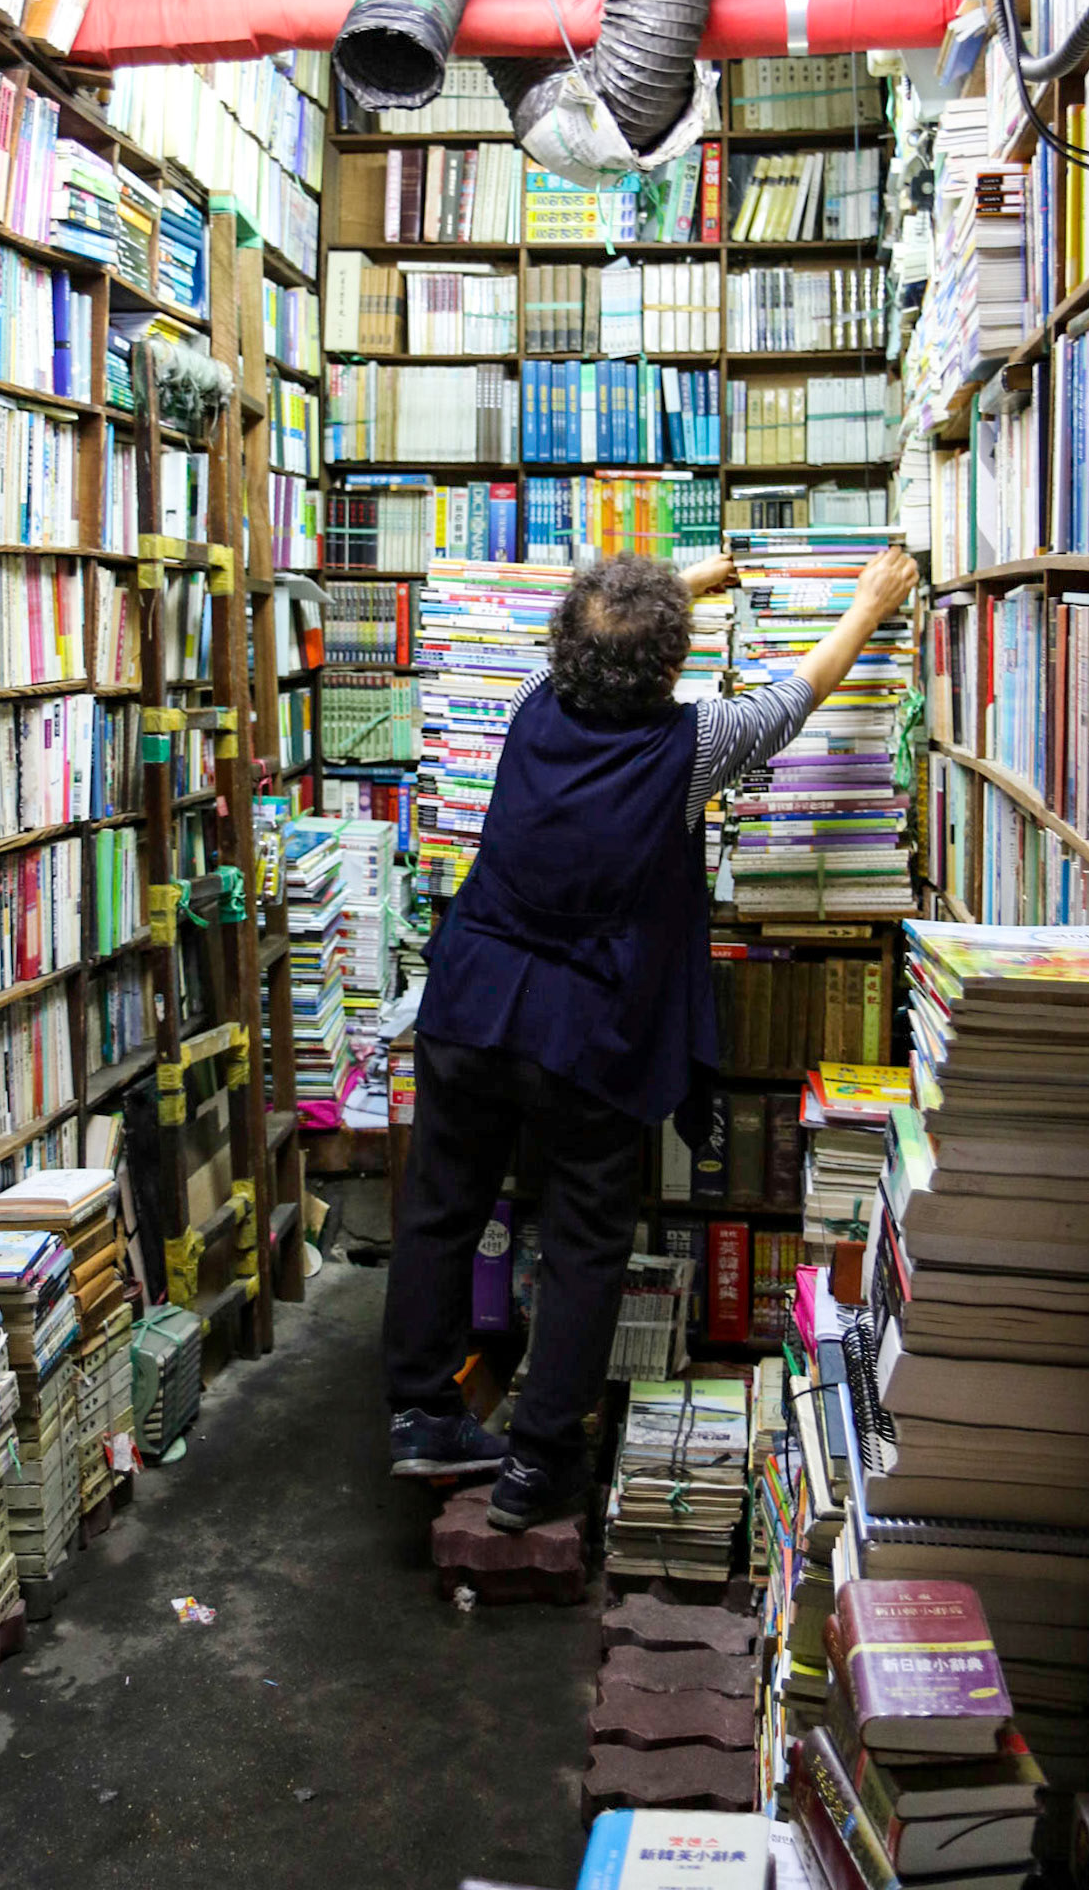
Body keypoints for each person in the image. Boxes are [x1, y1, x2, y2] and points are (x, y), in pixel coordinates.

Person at [384, 543, 918, 1529]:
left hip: (471, 998)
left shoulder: (531, 701)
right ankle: (538, 1466)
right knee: (587, 1238)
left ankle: (422, 1414)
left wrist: (679, 582)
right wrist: (867, 602)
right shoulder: (693, 745)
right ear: (673, 665)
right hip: (583, 1029)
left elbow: (581, 617)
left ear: (566, 647)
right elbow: (795, 696)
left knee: (441, 1206)